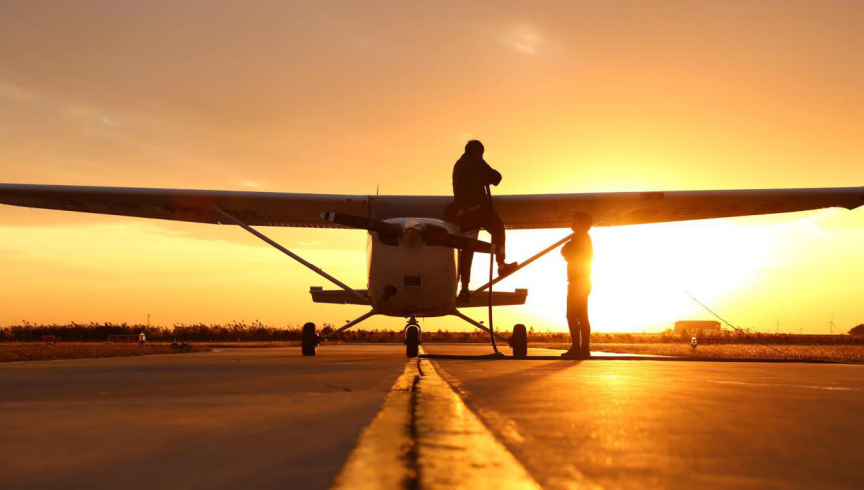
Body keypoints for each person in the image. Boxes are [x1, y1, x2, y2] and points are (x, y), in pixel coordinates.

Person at [448, 140, 517, 302]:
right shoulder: (476, 161)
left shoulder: (458, 165)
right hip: (480, 209)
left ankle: (464, 288)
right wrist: (483, 164)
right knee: (498, 229)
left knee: (467, 251)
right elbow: (496, 178)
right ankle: (501, 265)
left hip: (463, 212)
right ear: (478, 151)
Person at [560, 213, 593, 358]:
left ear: (580, 223)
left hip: (578, 282)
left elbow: (566, 252)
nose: (572, 222)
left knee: (573, 315)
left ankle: (577, 348)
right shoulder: (582, 238)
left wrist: (567, 248)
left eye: (574, 220)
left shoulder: (580, 238)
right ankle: (584, 349)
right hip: (582, 281)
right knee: (581, 316)